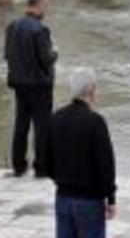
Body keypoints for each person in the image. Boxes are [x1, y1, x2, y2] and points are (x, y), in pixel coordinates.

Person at [46, 71, 116, 238]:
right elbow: (106, 164)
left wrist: (60, 180)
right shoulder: (96, 121)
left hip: (62, 197)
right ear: (90, 90)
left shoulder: (56, 118)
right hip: (90, 200)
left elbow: (45, 159)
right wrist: (110, 198)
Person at [4, 0, 58, 178]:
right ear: (38, 6)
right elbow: (46, 59)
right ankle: (41, 168)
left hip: (19, 84)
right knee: (42, 127)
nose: (46, 11)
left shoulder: (12, 27)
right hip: (39, 85)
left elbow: (7, 55)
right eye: (46, 7)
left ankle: (18, 165)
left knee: (21, 125)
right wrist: (55, 52)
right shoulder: (40, 30)